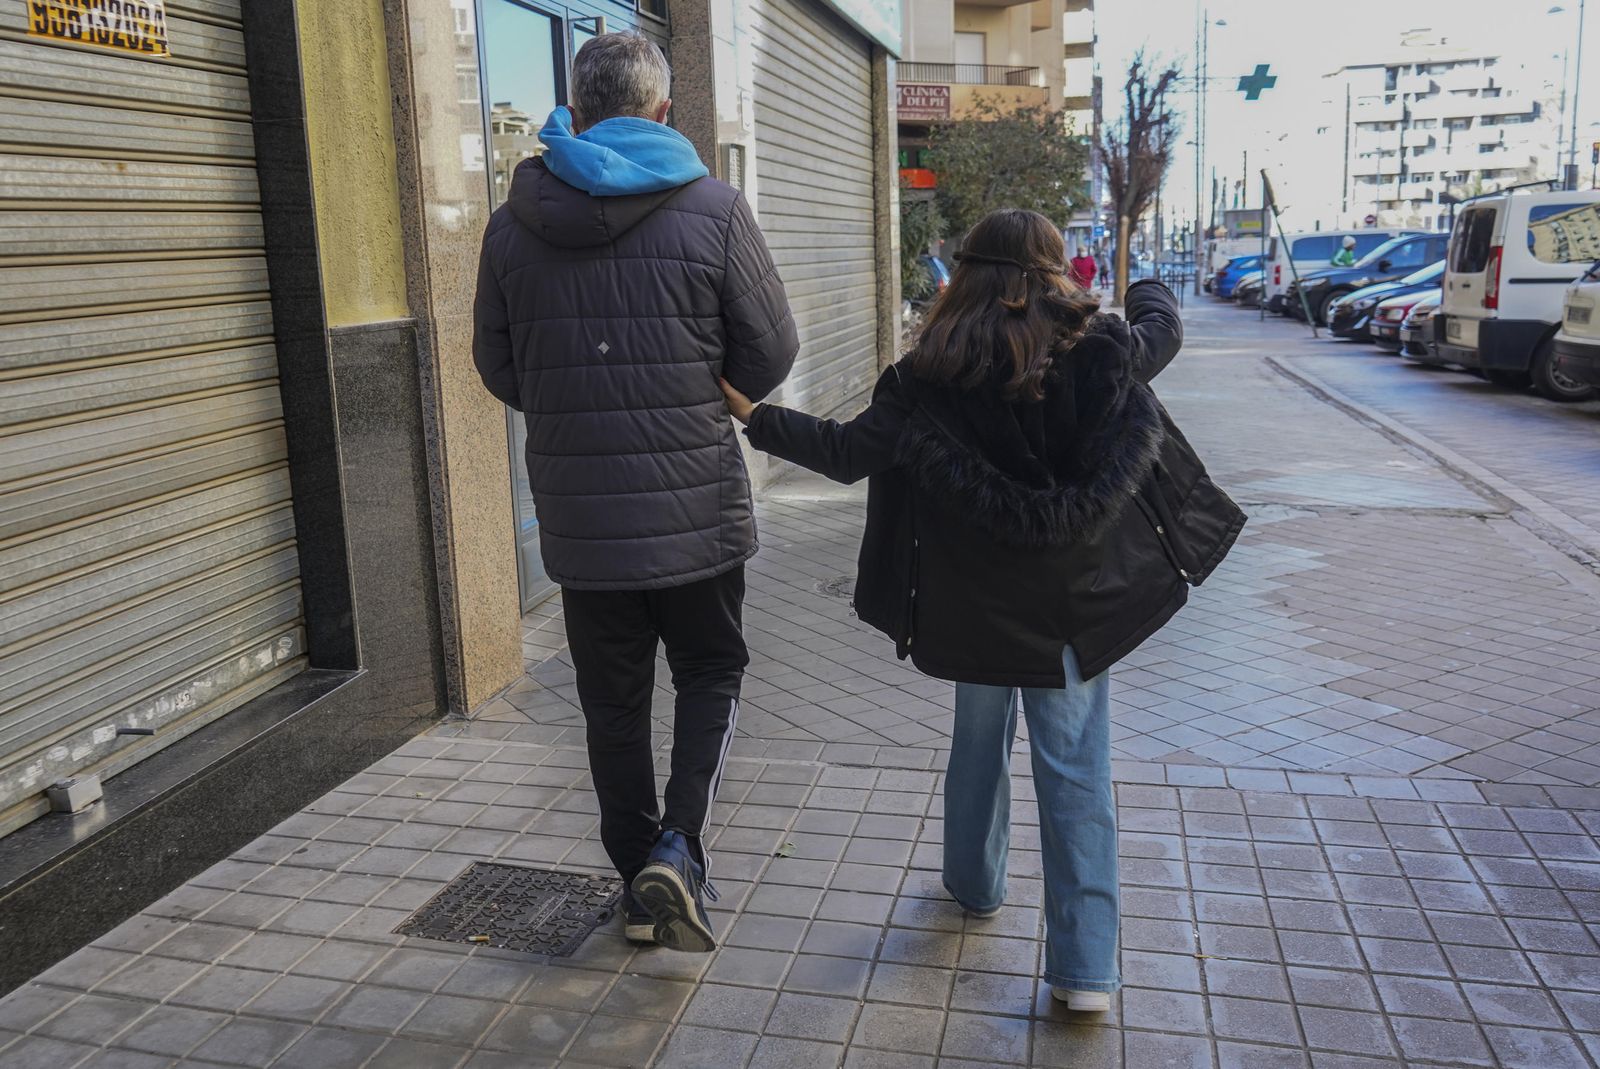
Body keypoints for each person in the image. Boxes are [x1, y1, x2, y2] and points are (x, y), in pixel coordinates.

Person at [720, 209, 1244, 1010]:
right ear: (1051, 273)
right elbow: (1159, 332)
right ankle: (1085, 973)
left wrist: (754, 414)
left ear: (965, 276)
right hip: (1071, 613)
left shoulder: (925, 376)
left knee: (976, 742)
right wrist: (1145, 283)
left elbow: (844, 452)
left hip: (971, 610)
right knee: (1075, 771)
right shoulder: (1097, 353)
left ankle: (974, 883)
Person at [473, 32, 798, 953]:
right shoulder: (714, 207)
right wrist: (701, 390)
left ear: (577, 113)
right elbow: (772, 350)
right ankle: (678, 849)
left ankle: (637, 886)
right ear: (662, 111)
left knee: (612, 706)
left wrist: (574, 403)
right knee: (710, 670)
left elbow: (498, 364)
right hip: (696, 506)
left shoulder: (512, 224)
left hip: (582, 517)